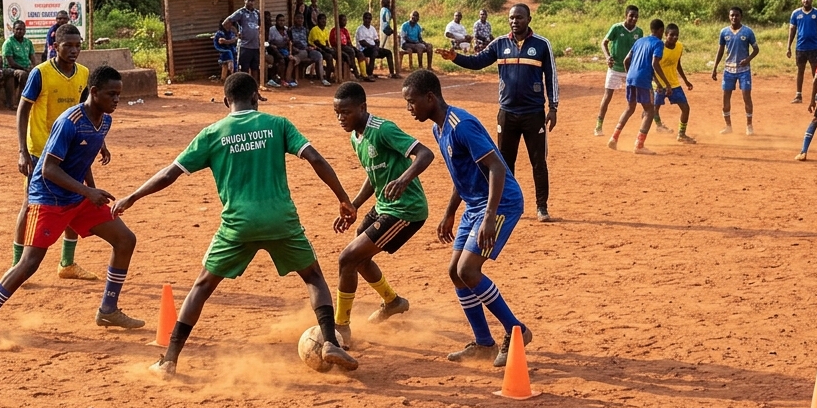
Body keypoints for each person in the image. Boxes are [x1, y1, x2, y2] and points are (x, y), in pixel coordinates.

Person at [113, 73, 360, 377]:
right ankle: (330, 341)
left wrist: (133, 196)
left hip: (238, 225)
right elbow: (316, 159)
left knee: (202, 287)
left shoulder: (212, 133)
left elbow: (169, 174)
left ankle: (169, 362)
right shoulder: (278, 124)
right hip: (281, 220)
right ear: (257, 97)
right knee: (313, 277)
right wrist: (343, 198)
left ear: (226, 101)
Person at [0, 66, 144, 344]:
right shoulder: (69, 121)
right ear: (94, 92)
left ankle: (108, 309)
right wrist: (88, 191)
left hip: (78, 197)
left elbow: (83, 160)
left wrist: (90, 192)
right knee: (29, 264)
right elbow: (48, 169)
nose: (117, 100)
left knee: (125, 240)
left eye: (119, 94)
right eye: (112, 94)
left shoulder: (104, 121)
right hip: (49, 197)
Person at [401, 69, 530, 368]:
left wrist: (488, 217)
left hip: (501, 203)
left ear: (430, 98)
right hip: (474, 205)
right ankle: (484, 343)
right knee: (455, 272)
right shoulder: (439, 129)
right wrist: (449, 212)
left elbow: (497, 168)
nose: (409, 108)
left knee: (469, 270)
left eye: (412, 101)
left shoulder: (462, 125)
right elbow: (463, 175)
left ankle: (517, 330)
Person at [331, 82, 434, 347]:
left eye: (346, 112)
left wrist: (403, 179)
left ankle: (341, 328)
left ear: (362, 108)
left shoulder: (383, 130)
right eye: (337, 113)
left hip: (406, 210)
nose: (341, 118)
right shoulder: (356, 136)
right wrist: (353, 204)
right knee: (359, 258)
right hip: (384, 206)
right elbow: (373, 174)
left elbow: (425, 153)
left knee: (347, 258)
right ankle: (393, 302)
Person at [440, 3, 559, 221]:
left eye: (519, 18)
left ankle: (542, 207)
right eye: (512, 18)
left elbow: (551, 77)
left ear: (529, 19)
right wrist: (455, 57)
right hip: (507, 114)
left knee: (538, 162)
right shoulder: (500, 44)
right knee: (504, 162)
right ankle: (506, 203)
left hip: (534, 114)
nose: (515, 21)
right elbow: (477, 62)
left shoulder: (542, 45)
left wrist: (553, 107)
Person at [15, 23, 100, 279]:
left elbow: (87, 109)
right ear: (55, 47)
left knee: (73, 202)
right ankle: (17, 264)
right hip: (41, 150)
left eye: (77, 46)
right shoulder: (40, 73)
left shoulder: (84, 73)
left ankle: (67, 263)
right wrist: (22, 151)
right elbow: (23, 110)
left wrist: (99, 140)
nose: (74, 50)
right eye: (68, 46)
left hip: (70, 150)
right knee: (30, 206)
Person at [608, 18, 667, 155]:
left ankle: (614, 138)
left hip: (631, 78)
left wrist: (630, 75)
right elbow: (654, 64)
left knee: (630, 108)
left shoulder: (639, 41)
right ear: (661, 31)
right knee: (649, 111)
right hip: (643, 80)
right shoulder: (658, 43)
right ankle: (639, 145)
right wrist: (664, 83)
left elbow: (626, 60)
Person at [711, 7, 760, 135]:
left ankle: (749, 125)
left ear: (741, 16)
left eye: (737, 15)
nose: (734, 18)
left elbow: (756, 49)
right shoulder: (724, 32)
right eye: (732, 15)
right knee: (725, 99)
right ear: (729, 16)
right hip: (728, 70)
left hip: (744, 70)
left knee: (746, 97)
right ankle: (728, 126)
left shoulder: (748, 32)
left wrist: (748, 59)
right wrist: (715, 67)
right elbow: (720, 50)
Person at [595, 6, 642, 136]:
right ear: (625, 15)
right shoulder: (616, 28)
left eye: (636, 16)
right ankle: (599, 125)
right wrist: (607, 57)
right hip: (615, 68)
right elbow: (604, 43)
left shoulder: (639, 32)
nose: (633, 18)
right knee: (607, 96)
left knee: (635, 98)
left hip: (631, 70)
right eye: (631, 15)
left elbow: (639, 50)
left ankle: (649, 124)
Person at [653, 23, 696, 144]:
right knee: (653, 109)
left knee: (685, 108)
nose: (674, 38)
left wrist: (685, 80)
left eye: (676, 35)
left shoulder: (679, 47)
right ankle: (659, 126)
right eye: (671, 35)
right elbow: (653, 66)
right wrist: (656, 83)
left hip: (674, 83)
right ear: (665, 35)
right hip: (659, 85)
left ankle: (681, 134)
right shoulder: (658, 47)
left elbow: (677, 64)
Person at [787, 0, 817, 104]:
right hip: (800, 47)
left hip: (814, 47)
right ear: (801, 0)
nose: (806, 1)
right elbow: (792, 30)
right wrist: (788, 46)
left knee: (816, 72)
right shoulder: (795, 14)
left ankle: (816, 95)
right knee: (800, 71)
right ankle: (798, 95)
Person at [225, 0, 262, 86]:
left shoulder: (257, 13)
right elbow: (226, 22)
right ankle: (243, 88)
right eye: (248, 0)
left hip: (255, 46)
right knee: (244, 69)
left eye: (252, 0)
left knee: (255, 68)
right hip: (244, 46)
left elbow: (261, 25)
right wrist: (236, 32)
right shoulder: (241, 12)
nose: (251, 2)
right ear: (244, 1)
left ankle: (254, 89)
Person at [355, 11, 394, 79]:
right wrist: (373, 47)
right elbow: (362, 42)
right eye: (366, 18)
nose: (368, 20)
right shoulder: (360, 29)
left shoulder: (372, 28)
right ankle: (369, 74)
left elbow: (376, 39)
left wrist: (376, 46)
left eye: (369, 18)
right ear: (363, 19)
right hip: (363, 49)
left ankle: (392, 73)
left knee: (388, 52)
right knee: (373, 52)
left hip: (373, 48)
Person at [2, 20, 36, 91]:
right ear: (13, 30)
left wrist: (34, 67)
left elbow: (32, 58)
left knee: (37, 74)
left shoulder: (28, 42)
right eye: (17, 29)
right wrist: (24, 68)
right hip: (10, 69)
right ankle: (21, 98)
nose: (19, 31)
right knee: (22, 74)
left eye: (21, 29)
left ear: (25, 31)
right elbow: (10, 63)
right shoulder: (8, 43)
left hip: (25, 67)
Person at [289, 12, 321, 85]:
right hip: (297, 50)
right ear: (294, 19)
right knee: (303, 53)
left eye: (301, 18)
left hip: (306, 49)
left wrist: (312, 47)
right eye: (298, 18)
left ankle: (321, 78)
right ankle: (296, 61)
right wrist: (294, 49)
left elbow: (307, 41)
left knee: (318, 55)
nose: (300, 20)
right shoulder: (291, 30)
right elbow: (289, 42)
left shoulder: (305, 30)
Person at [329, 13, 363, 81]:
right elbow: (334, 43)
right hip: (338, 48)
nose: (345, 22)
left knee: (359, 53)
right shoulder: (334, 31)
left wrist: (352, 47)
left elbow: (349, 41)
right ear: (339, 21)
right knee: (350, 52)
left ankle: (364, 73)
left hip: (346, 47)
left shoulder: (345, 30)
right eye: (343, 20)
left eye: (346, 20)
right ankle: (354, 70)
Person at [267, 13, 296, 87]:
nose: (281, 22)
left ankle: (288, 79)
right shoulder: (272, 29)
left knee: (291, 59)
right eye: (280, 20)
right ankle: (281, 79)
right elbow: (269, 42)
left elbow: (290, 43)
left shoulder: (287, 30)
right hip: (273, 48)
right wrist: (274, 46)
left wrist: (290, 53)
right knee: (281, 60)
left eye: (283, 20)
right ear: (276, 21)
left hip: (283, 49)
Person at [309, 15, 336, 84]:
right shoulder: (314, 29)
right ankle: (326, 78)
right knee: (329, 56)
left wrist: (329, 48)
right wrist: (326, 49)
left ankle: (332, 74)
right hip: (315, 48)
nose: (323, 21)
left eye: (325, 19)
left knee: (336, 54)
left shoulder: (326, 30)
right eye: (321, 19)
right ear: (317, 21)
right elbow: (317, 43)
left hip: (323, 48)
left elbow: (327, 42)